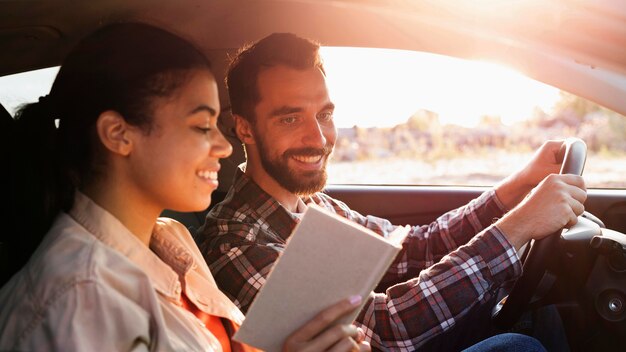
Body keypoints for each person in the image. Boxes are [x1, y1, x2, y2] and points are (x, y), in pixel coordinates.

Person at [196, 32, 587, 350]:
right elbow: (386, 329)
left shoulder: (313, 204)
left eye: (325, 115)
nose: (317, 138)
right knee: (517, 348)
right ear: (244, 128)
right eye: (290, 117)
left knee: (541, 314)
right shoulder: (237, 243)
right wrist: (517, 227)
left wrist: (515, 187)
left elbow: (415, 248)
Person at [0, 23, 372, 351]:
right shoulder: (80, 303)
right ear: (118, 134)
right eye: (200, 126)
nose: (225, 146)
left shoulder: (171, 238)